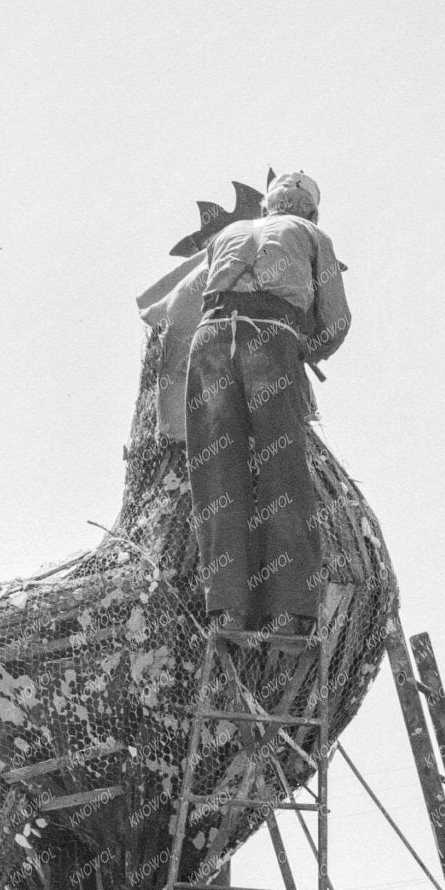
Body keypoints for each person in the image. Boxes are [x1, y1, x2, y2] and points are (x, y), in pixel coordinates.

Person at [182, 170, 351, 634]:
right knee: (284, 472)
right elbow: (337, 320)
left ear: (264, 209)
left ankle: (228, 608)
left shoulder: (228, 234)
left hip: (210, 342)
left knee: (217, 476)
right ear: (311, 212)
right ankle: (290, 612)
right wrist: (305, 349)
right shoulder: (314, 235)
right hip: (271, 342)